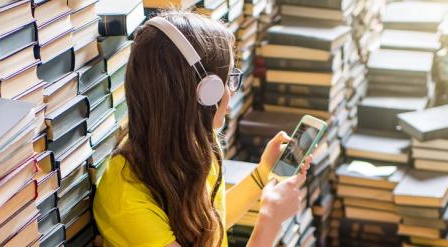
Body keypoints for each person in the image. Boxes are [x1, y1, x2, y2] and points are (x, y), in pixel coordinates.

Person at [93, 11, 310, 247]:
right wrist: (270, 220)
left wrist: (262, 173)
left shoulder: (193, 143)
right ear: (205, 93)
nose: (232, 91)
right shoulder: (127, 201)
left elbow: (205, 227)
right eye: (228, 80)